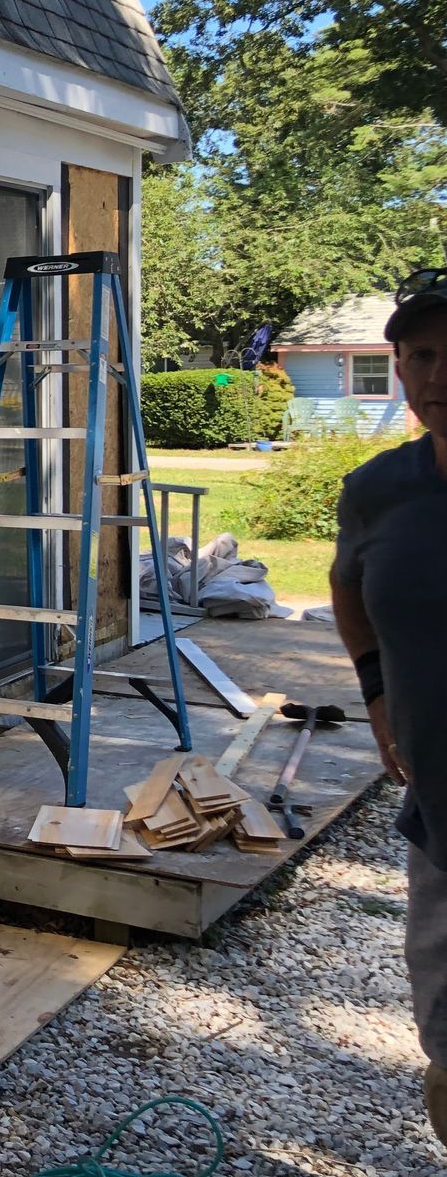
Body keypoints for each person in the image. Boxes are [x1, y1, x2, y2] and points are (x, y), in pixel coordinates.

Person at [330, 266, 447, 1143]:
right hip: (439, 825)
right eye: (422, 357)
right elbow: (346, 588)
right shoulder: (381, 490)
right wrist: (374, 694)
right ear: (401, 370)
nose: (441, 378)